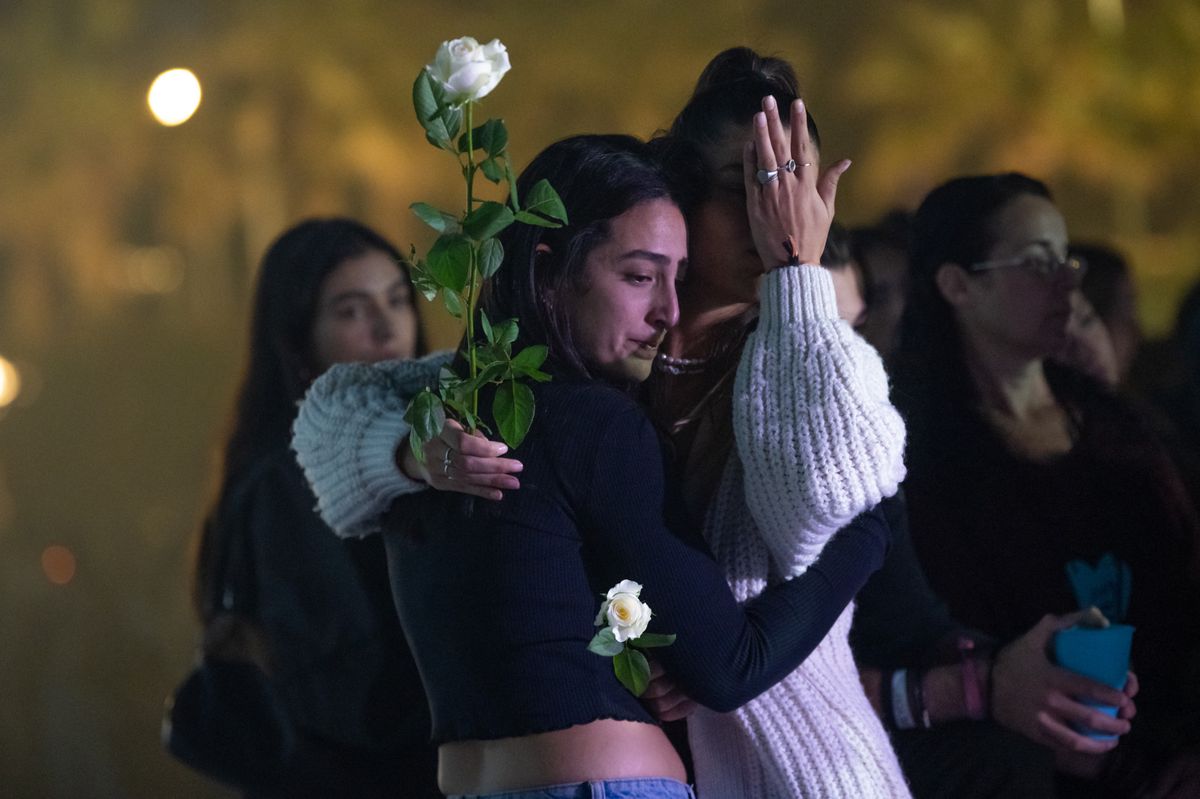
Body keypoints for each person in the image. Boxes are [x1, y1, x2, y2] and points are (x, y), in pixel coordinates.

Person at [293, 132, 898, 799]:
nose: (667, 311)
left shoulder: (434, 413)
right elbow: (730, 666)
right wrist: (865, 533)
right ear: (551, 267)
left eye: (679, 278)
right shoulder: (589, 423)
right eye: (640, 276)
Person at [891, 172, 1200, 796]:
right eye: (1037, 261)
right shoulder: (915, 453)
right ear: (957, 284)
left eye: (1066, 258)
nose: (1067, 279)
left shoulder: (1120, 426)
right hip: (1020, 762)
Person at [190, 218, 439, 797]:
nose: (387, 327)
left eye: (398, 299)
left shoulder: (422, 449)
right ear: (297, 341)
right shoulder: (286, 481)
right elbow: (343, 683)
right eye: (351, 311)